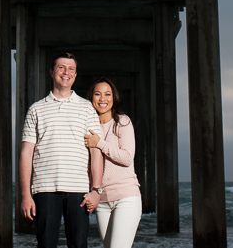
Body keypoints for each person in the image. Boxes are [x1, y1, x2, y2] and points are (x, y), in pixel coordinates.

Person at [20, 53, 104, 248]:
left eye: (71, 69)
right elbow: (26, 153)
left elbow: (96, 152)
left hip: (79, 190)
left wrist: (96, 190)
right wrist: (25, 195)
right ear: (52, 72)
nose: (66, 72)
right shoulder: (36, 109)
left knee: (79, 245)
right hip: (45, 188)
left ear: (75, 75)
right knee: (46, 244)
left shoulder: (87, 108)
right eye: (61, 68)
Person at [84, 77, 142, 248]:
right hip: (101, 202)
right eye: (98, 94)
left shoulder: (122, 122)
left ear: (114, 98)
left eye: (107, 94)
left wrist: (99, 143)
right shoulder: (88, 128)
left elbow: (126, 158)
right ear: (91, 98)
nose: (103, 99)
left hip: (126, 197)